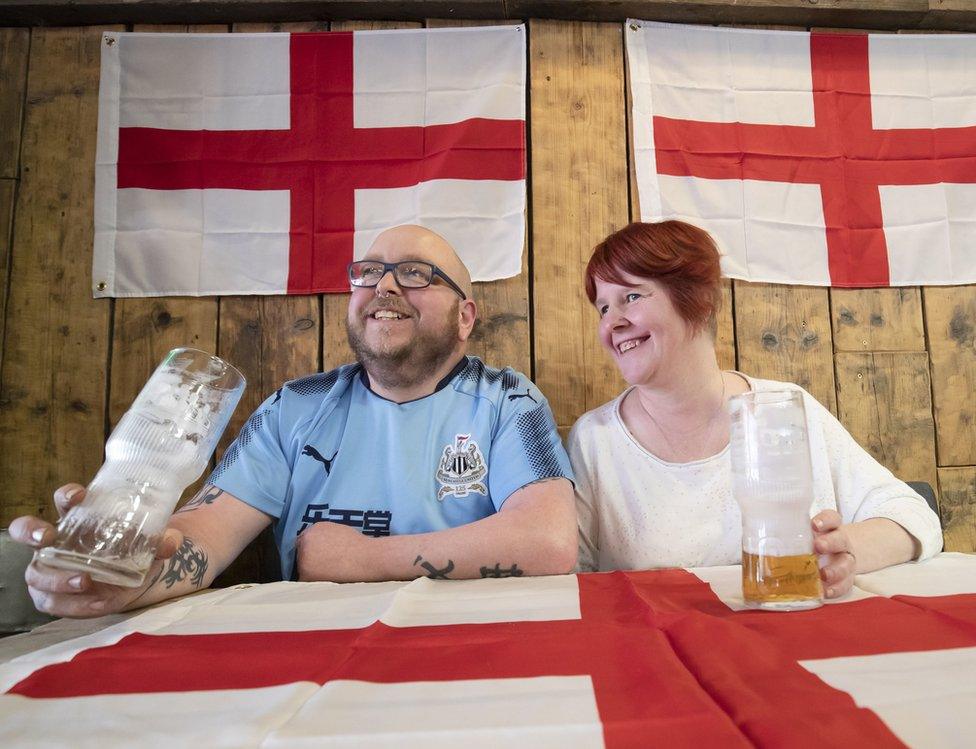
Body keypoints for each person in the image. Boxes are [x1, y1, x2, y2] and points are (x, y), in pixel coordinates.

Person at [12, 225, 577, 618]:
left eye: (414, 274)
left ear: (465, 316)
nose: (384, 286)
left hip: (470, 652)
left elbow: (549, 543)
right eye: (369, 272)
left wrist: (356, 559)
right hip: (318, 656)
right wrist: (121, 579)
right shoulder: (295, 407)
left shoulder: (507, 399)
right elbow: (204, 537)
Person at [569, 220, 943, 598]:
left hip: (794, 640)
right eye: (602, 307)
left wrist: (846, 550)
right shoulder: (595, 439)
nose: (611, 324)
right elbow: (568, 579)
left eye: (631, 297)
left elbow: (913, 517)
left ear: (695, 300)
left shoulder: (782, 411)